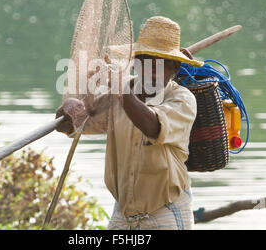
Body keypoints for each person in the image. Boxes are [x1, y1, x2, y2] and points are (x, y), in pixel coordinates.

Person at [55, 16, 204, 230]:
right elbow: (70, 126)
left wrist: (119, 88)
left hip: (165, 211)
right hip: (124, 212)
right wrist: (69, 109)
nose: (152, 73)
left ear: (175, 70)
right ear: (135, 63)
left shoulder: (182, 99)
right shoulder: (119, 92)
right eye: (147, 62)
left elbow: (152, 125)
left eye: (161, 66)